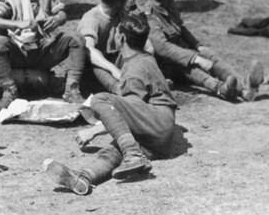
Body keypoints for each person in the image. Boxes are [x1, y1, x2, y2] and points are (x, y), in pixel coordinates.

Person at [42, 12, 178, 194]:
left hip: (156, 121)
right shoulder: (144, 58)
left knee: (100, 99)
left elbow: (126, 114)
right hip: (158, 138)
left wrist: (93, 131)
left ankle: (133, 154)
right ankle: (84, 177)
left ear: (121, 38)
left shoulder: (135, 70)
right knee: (115, 149)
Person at [144, 0, 261, 102]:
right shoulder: (149, 15)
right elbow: (162, 47)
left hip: (180, 54)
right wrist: (195, 58)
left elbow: (180, 28)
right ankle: (221, 89)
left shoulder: (168, 7)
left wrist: (197, 45)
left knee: (210, 56)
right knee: (189, 66)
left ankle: (244, 89)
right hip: (164, 65)